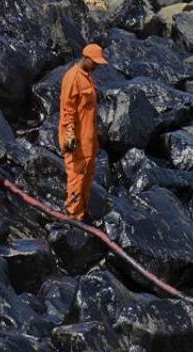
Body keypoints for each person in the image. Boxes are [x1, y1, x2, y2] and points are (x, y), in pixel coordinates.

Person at [58, 43, 108, 222]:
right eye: (94, 62)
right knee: (76, 178)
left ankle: (83, 213)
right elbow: (67, 111)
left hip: (88, 140)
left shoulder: (87, 77)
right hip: (77, 141)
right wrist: (69, 136)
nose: (96, 66)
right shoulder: (72, 78)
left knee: (86, 178)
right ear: (85, 58)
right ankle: (73, 215)